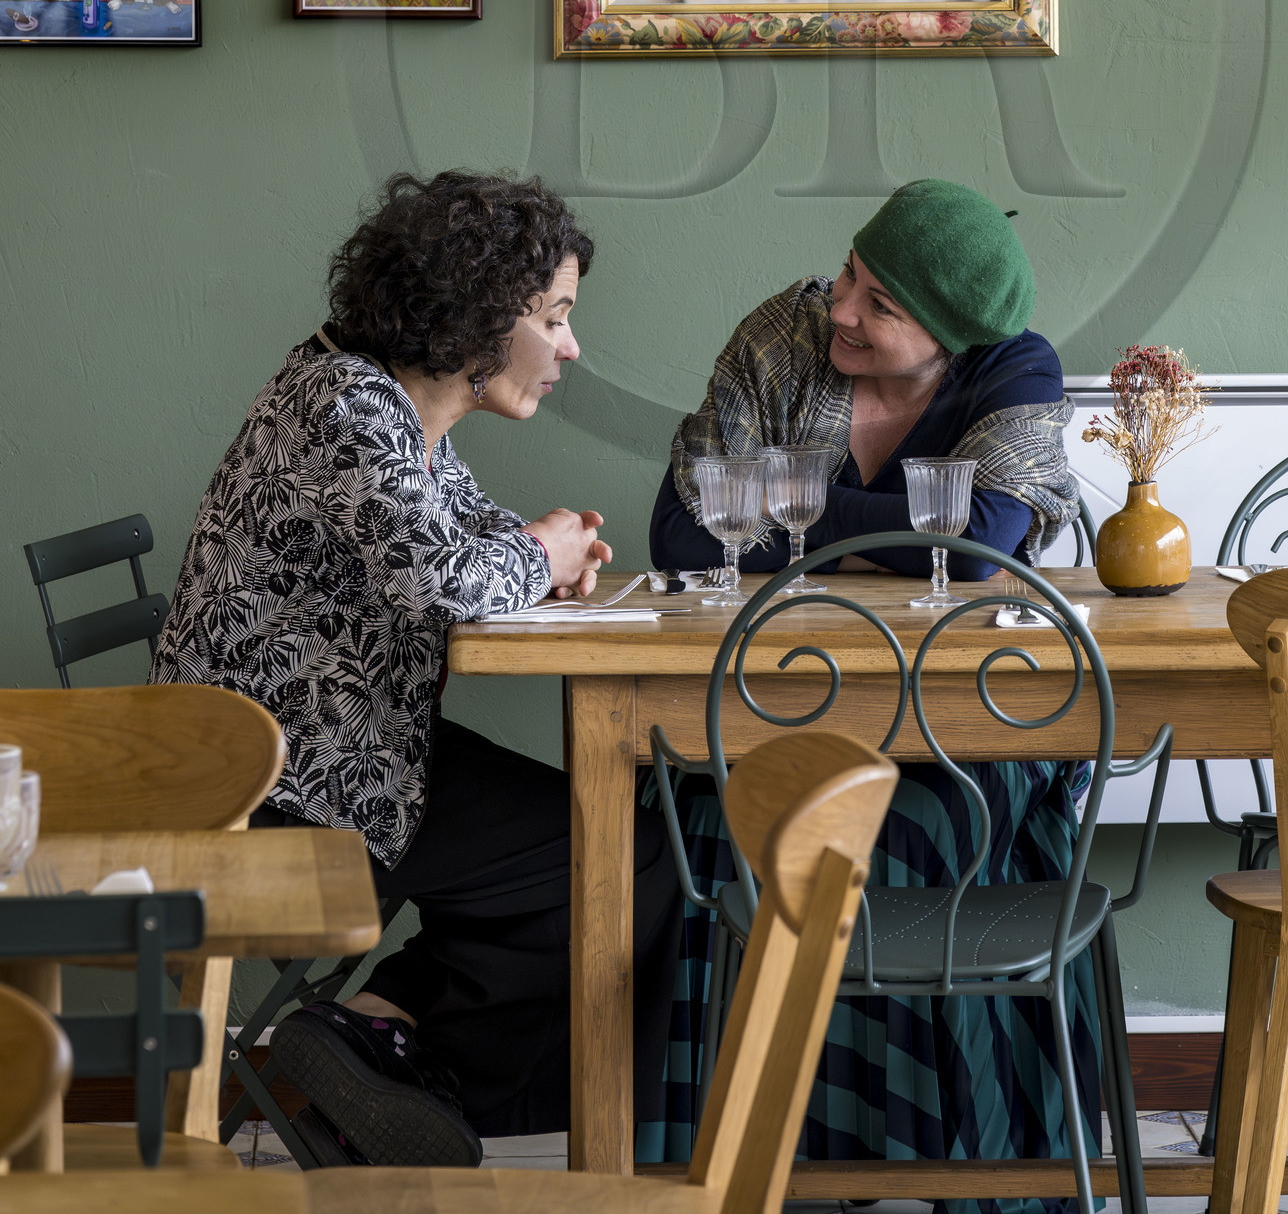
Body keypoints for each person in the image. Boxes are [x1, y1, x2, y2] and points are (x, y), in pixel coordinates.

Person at [152, 170, 682, 1169]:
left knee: (617, 843)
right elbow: (443, 576)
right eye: (556, 318)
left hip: (329, 756)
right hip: (276, 790)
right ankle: (387, 1076)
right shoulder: (349, 404)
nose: (569, 346)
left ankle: (372, 1049)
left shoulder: (380, 400)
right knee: (624, 854)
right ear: (485, 313)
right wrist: (541, 556)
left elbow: (463, 529)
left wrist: (540, 546)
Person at [643, 178, 1093, 1186]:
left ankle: (911, 1161)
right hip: (777, 715)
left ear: (948, 335)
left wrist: (797, 517)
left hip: (973, 733)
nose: (840, 307)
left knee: (915, 827)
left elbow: (979, 554)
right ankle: (734, 1168)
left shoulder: (1015, 369)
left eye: (881, 304)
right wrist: (892, 531)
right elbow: (681, 531)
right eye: (852, 271)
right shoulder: (782, 336)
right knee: (703, 825)